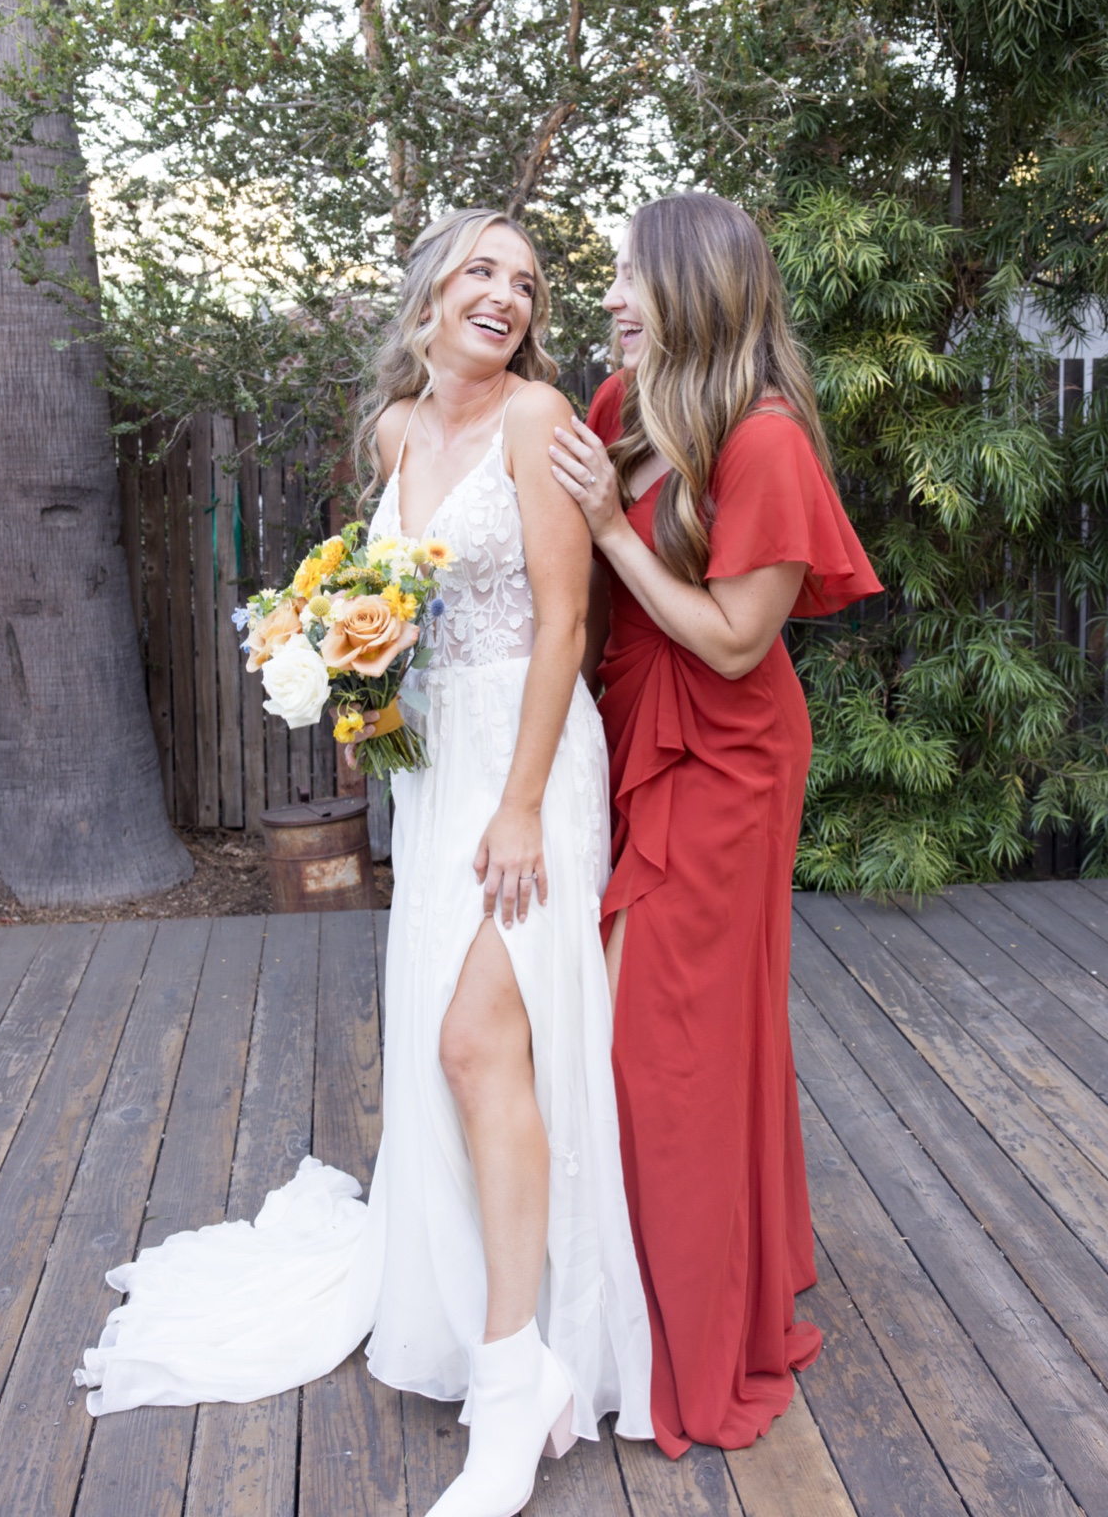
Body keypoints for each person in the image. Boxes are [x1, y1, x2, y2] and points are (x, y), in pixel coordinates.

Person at [77, 209, 653, 1517]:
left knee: (472, 1043)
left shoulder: (537, 420)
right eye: (483, 270)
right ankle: (490, 1332)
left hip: (531, 768)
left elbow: (566, 623)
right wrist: (361, 708)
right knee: (462, 1054)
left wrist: (518, 808)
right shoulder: (397, 433)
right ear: (433, 289)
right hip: (439, 773)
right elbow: (389, 602)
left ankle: (517, 1390)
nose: (506, 295)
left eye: (528, 282)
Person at [550, 190, 881, 1460]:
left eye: (630, 278)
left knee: (668, 1045)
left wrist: (605, 538)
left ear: (693, 288)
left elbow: (740, 641)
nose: (612, 301)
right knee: (648, 1030)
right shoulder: (619, 410)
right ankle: (634, 1297)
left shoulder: (767, 441)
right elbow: (571, 581)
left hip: (728, 756)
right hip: (628, 732)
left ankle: (687, 1329)